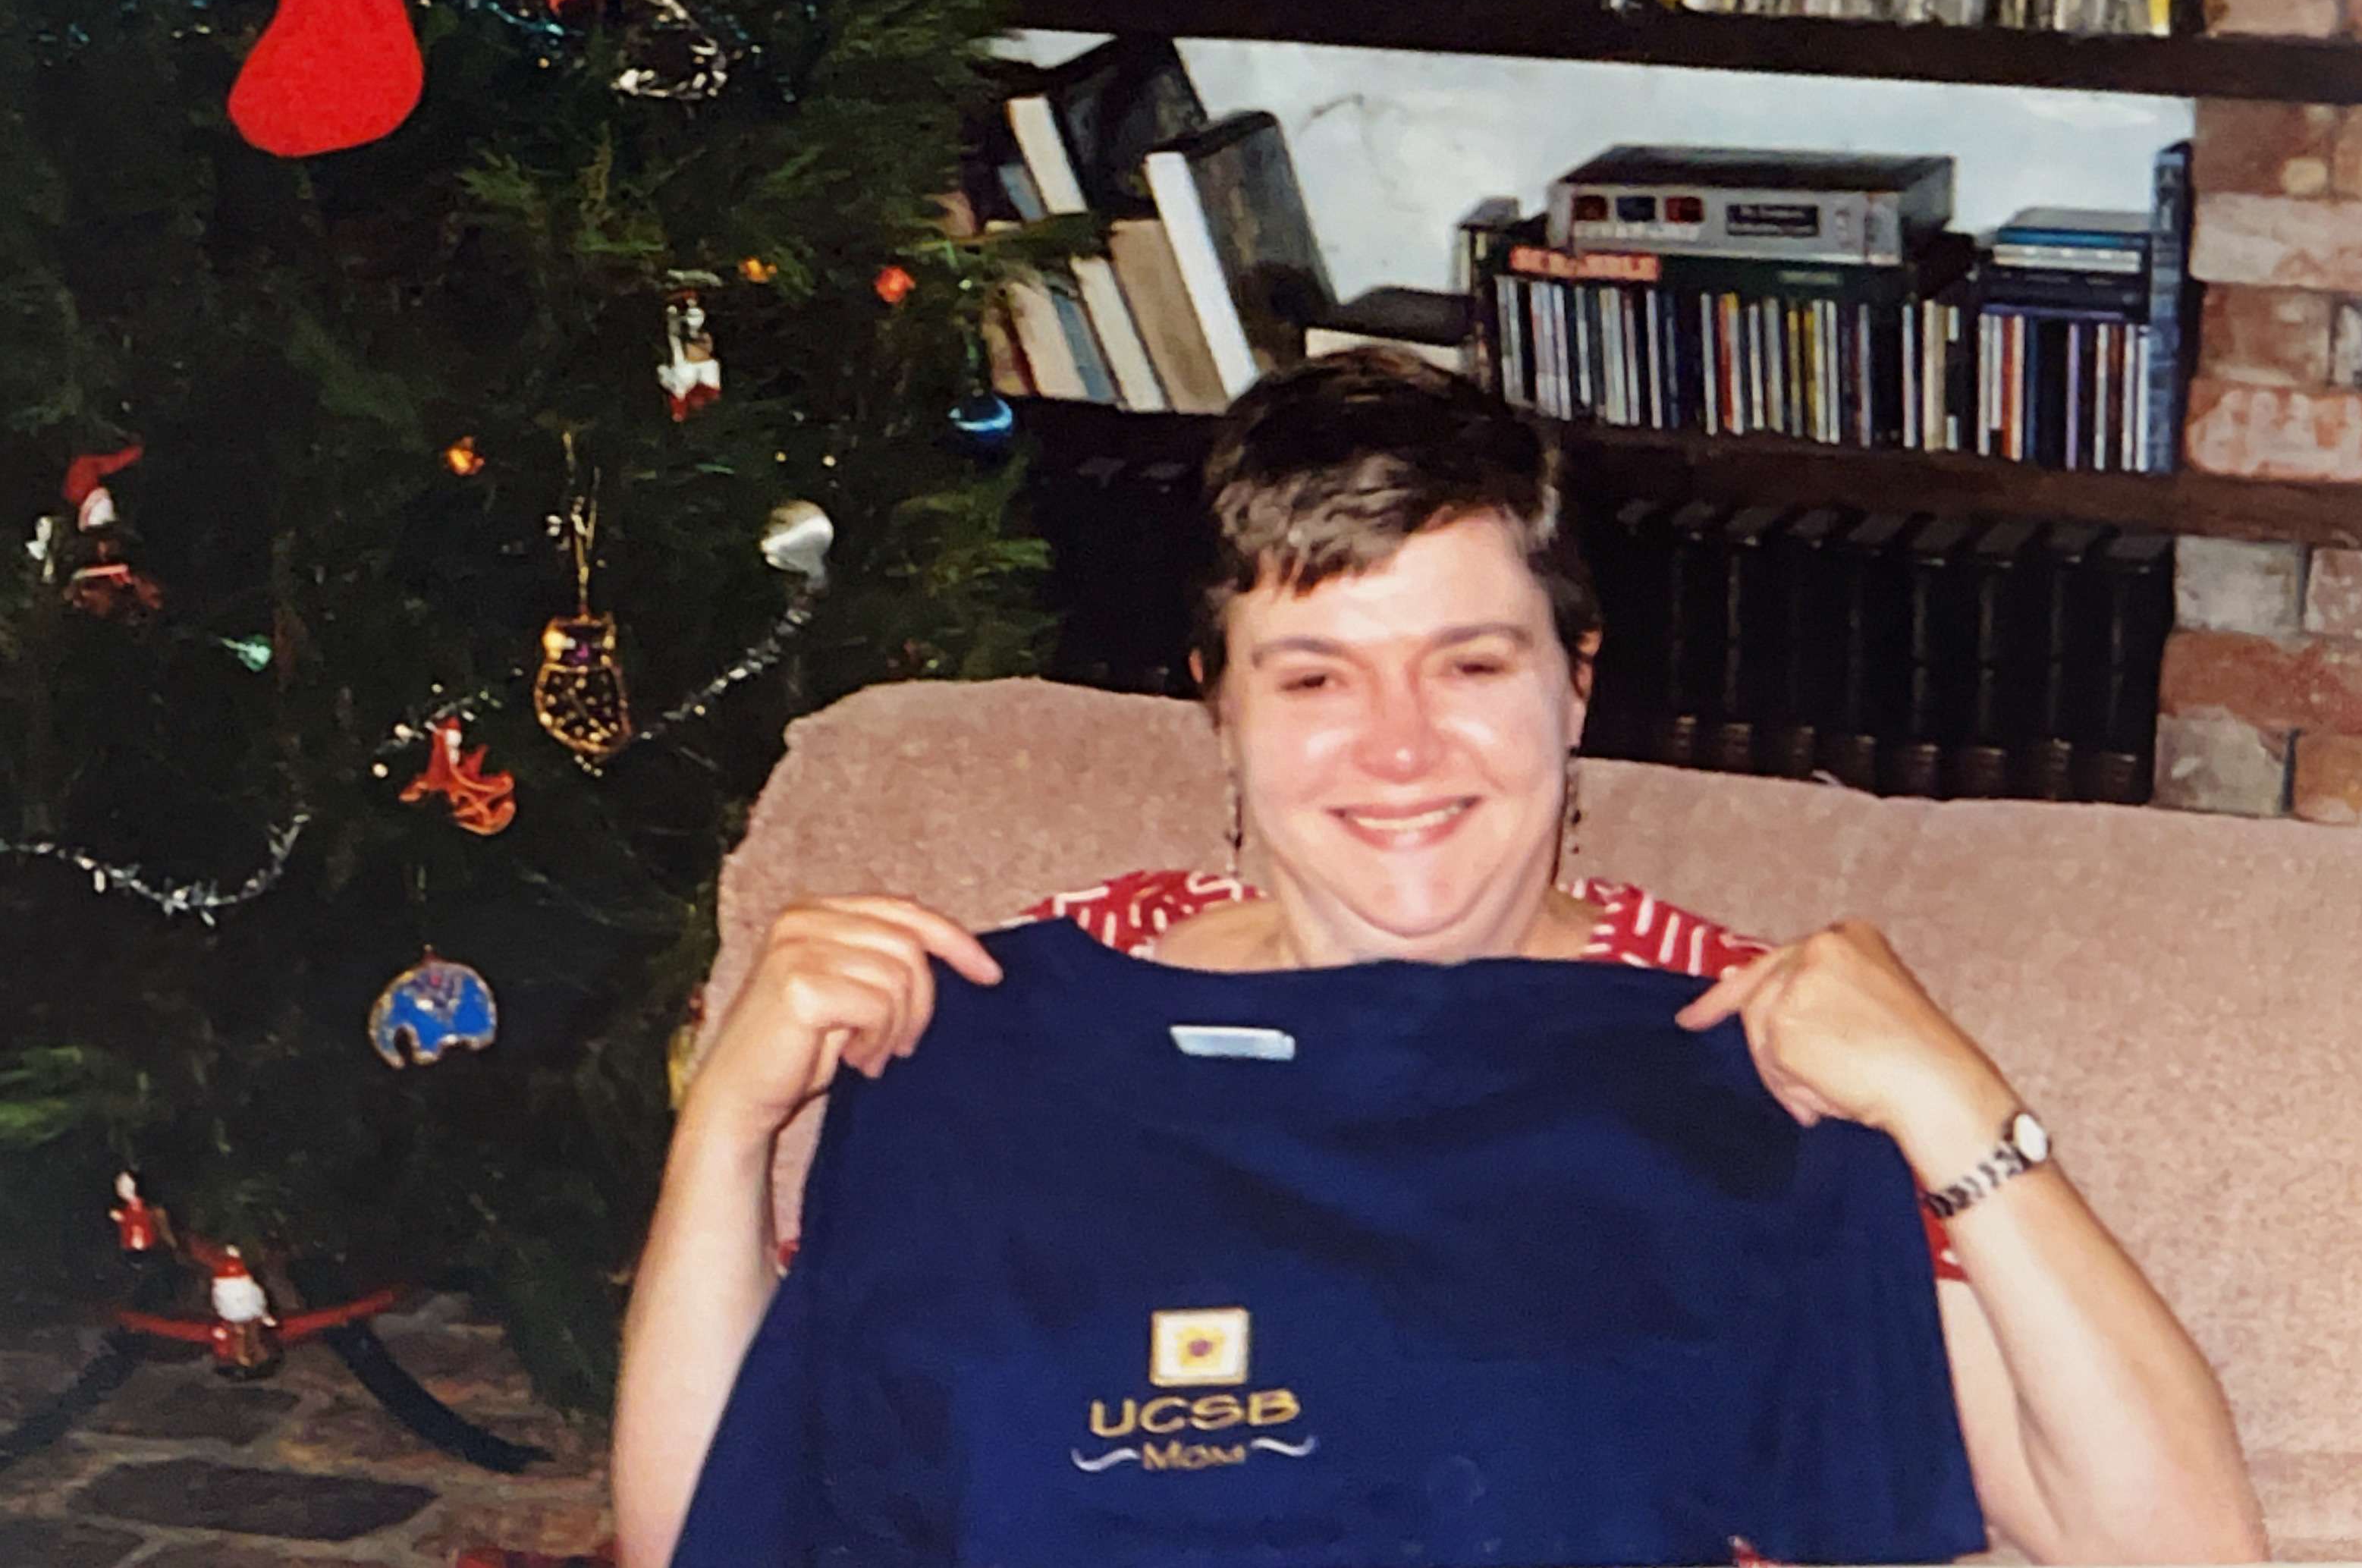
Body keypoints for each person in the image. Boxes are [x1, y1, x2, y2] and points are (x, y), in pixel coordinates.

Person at [615, 350, 2269, 1568]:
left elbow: (2181, 1548)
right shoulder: (1002, 1017)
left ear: (1575, 682)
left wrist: (1954, 1101)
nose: (1398, 747)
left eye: (1469, 664)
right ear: (1217, 702)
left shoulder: (1741, 1047)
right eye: (1314, 677)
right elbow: (720, 1529)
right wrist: (726, 1130)